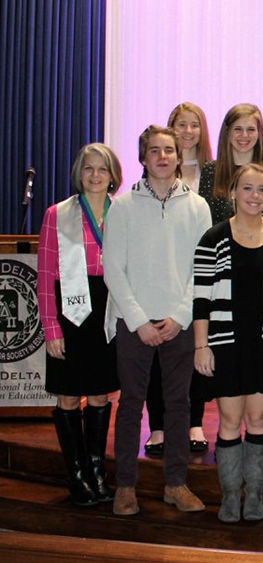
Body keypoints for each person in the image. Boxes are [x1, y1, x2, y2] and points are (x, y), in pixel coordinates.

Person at [103, 125, 212, 516]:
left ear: (178, 156)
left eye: (169, 150)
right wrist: (137, 320)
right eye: (155, 151)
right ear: (143, 158)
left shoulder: (197, 206)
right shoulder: (123, 206)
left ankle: (175, 484)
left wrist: (181, 316)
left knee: (178, 405)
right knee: (131, 404)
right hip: (135, 323)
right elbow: (112, 267)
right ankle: (126, 486)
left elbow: (202, 269)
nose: (163, 157)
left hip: (178, 324)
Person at [192, 163, 263, 523]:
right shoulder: (212, 238)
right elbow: (200, 299)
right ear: (233, 192)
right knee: (230, 420)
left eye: (261, 190)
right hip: (225, 343)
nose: (254, 196)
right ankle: (231, 496)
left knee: (259, 418)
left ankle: (255, 494)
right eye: (247, 189)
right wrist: (201, 346)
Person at [38, 143, 122, 507]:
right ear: (79, 173)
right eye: (88, 169)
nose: (94, 175)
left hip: (107, 312)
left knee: (101, 394)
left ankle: (96, 472)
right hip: (70, 314)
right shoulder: (57, 214)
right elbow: (44, 276)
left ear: (112, 174)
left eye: (102, 169)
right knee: (69, 395)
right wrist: (51, 328)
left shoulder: (124, 215)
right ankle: (75, 476)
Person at [145, 102, 215, 457]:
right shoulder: (146, 181)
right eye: (181, 125)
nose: (188, 132)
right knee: (156, 358)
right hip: (158, 282)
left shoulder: (214, 172)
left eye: (194, 125)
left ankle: (195, 422)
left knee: (196, 352)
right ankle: (157, 426)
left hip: (197, 279)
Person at [200, 103, 263, 226]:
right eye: (238, 129)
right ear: (227, 132)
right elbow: (207, 220)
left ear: (259, 133)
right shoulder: (210, 171)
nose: (244, 135)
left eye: (250, 129)